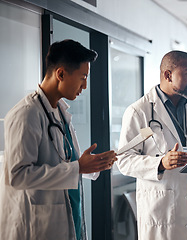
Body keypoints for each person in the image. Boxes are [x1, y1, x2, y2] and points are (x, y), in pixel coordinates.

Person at [0, 39, 117, 240]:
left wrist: (91, 165)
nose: (85, 85)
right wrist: (78, 168)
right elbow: (18, 176)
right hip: (38, 226)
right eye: (83, 77)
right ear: (61, 74)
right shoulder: (26, 114)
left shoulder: (59, 112)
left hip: (69, 215)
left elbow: (65, 163)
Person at [116, 50, 187, 240]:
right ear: (168, 75)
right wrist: (160, 163)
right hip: (161, 213)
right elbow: (124, 160)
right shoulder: (140, 112)